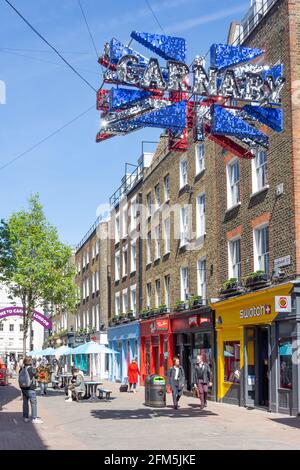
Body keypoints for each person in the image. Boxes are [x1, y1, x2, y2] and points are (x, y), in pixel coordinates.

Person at [19, 357, 43, 424]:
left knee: (25, 403)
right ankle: (34, 418)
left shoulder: (22, 369)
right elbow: (36, 376)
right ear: (30, 362)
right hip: (30, 388)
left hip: (23, 388)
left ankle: (26, 417)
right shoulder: (32, 369)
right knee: (33, 403)